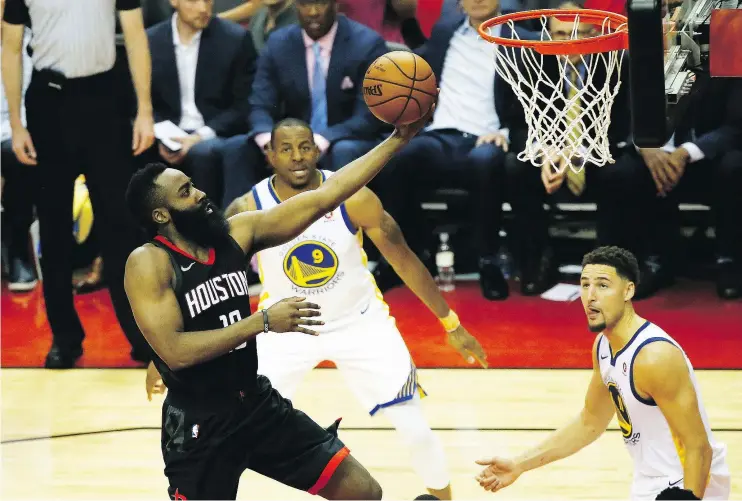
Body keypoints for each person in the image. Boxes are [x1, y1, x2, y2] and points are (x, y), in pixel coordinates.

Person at [124, 104, 434, 500]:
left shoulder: (236, 232)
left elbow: (325, 197)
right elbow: (175, 350)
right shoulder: (148, 262)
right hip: (200, 424)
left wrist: (397, 140)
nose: (201, 193)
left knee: (362, 491)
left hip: (253, 403)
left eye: (193, 183)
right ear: (161, 214)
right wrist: (262, 322)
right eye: (186, 192)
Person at [218, 118, 488, 499]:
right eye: (286, 149)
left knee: (415, 428)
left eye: (305, 147)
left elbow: (404, 260)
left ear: (317, 149)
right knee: (233, 429)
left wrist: (451, 323)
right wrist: (167, 349)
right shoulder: (248, 208)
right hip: (284, 329)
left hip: (359, 324)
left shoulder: (352, 195)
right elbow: (213, 281)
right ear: (270, 155)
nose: (297, 157)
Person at [475, 246, 730, 501]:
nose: (590, 296)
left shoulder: (655, 357)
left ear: (628, 290)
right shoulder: (604, 345)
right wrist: (520, 464)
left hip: (687, 484)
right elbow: (590, 422)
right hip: (650, 479)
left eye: (603, 285)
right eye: (585, 285)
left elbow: (699, 447)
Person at [2, 0, 156, 367]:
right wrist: (17, 124)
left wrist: (145, 110)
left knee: (120, 224)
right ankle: (65, 339)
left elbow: (135, 37)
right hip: (48, 102)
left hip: (105, 99)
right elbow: (9, 45)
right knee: (54, 228)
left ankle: (140, 334)